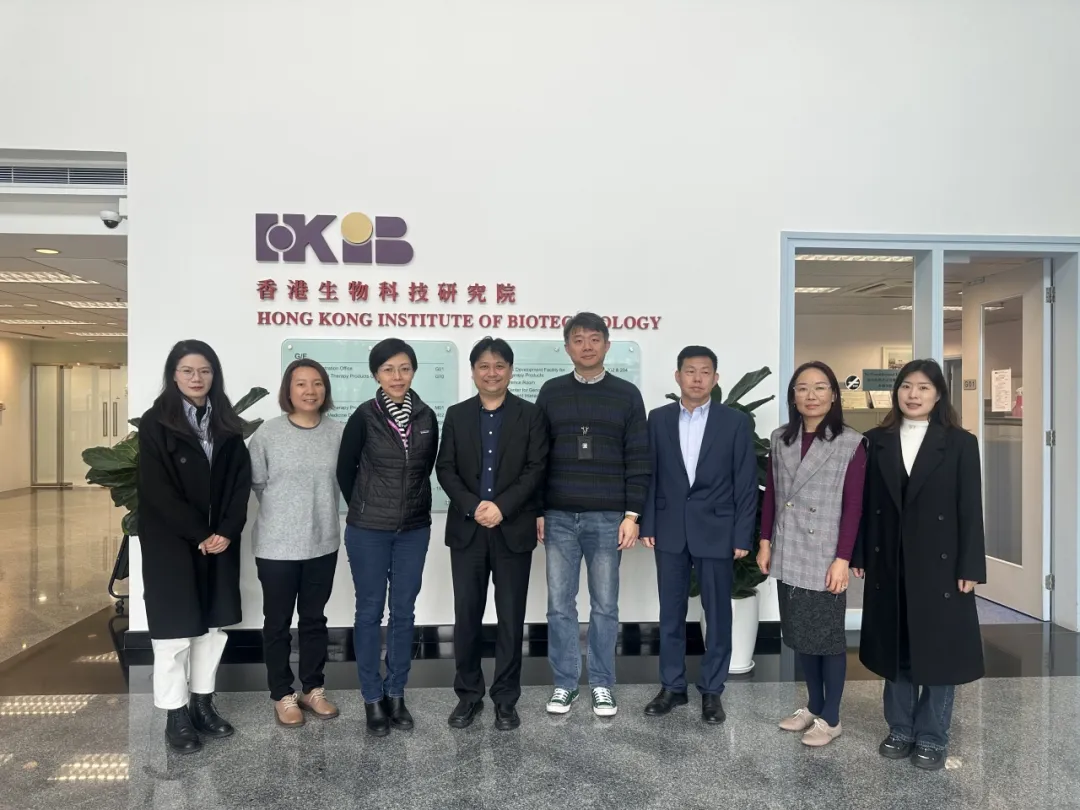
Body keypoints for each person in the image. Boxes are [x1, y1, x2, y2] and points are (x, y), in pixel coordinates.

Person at [852, 358, 986, 771]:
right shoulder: (875, 440)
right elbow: (865, 504)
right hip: (890, 561)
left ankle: (932, 735)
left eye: (924, 387)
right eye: (907, 386)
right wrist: (860, 553)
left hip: (941, 565)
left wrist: (970, 566)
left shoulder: (960, 443)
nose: (913, 395)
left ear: (939, 394)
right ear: (896, 392)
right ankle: (900, 728)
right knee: (897, 650)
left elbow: (970, 508)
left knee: (939, 652)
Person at [137, 339, 251, 754]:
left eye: (204, 370)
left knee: (211, 628)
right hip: (172, 542)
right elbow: (156, 489)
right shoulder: (155, 423)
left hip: (218, 542)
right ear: (174, 375)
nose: (196, 378)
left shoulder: (226, 421)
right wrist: (198, 532)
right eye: (187, 370)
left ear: (214, 375)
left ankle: (203, 705)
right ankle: (176, 714)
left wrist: (226, 530)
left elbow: (239, 482)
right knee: (174, 632)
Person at [535, 312, 650, 718]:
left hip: (607, 518)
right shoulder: (551, 392)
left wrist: (632, 515)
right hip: (559, 517)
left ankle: (602, 683)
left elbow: (639, 457)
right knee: (559, 605)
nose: (587, 346)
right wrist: (538, 510)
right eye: (579, 339)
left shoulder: (626, 394)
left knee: (604, 605)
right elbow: (538, 457)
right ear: (567, 347)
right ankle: (565, 683)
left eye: (594, 338)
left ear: (607, 344)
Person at [436, 337, 549, 732]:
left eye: (499, 365)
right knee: (466, 616)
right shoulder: (457, 415)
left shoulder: (530, 415)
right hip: (467, 531)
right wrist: (474, 506)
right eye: (484, 366)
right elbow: (445, 468)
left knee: (511, 618)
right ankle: (468, 695)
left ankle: (505, 699)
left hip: (512, 529)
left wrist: (502, 507)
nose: (492, 372)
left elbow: (536, 469)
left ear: (511, 371)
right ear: (473, 372)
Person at [640, 346, 757, 725]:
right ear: (678, 376)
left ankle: (711, 690)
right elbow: (650, 474)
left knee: (718, 613)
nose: (697, 378)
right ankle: (672, 687)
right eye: (689, 371)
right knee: (670, 612)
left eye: (705, 372)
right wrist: (648, 524)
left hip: (718, 530)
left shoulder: (734, 422)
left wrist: (742, 535)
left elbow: (745, 483)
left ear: (715, 379)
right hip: (669, 528)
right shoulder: (658, 418)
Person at [757, 361, 866, 747]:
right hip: (788, 547)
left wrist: (843, 558)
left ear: (833, 395)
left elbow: (854, 505)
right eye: (802, 388)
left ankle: (831, 717)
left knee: (827, 638)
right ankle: (814, 704)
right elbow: (772, 493)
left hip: (825, 552)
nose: (811, 395)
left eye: (820, 387)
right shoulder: (780, 438)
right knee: (801, 634)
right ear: (793, 396)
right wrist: (765, 541)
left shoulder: (851, 442)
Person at [336, 338, 439, 737]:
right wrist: (366, 508)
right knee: (369, 612)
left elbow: (425, 468)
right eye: (388, 369)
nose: (397, 376)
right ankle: (372, 697)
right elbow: (345, 470)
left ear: (413, 371)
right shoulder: (364, 416)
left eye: (404, 368)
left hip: (413, 529)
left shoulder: (427, 416)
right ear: (375, 374)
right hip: (368, 531)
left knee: (404, 612)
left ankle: (396, 692)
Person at [249, 359, 344, 727]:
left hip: (322, 542)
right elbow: (258, 483)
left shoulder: (337, 433)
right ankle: (282, 694)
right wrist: (285, 516)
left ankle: (312, 689)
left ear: (326, 389)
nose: (310, 391)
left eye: (317, 383)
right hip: (276, 546)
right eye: (301, 383)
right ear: (288, 390)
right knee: (277, 622)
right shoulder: (268, 434)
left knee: (314, 620)